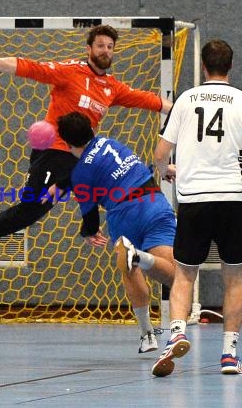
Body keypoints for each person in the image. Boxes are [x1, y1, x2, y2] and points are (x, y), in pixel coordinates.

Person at [0, 25, 173, 298]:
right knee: (28, 212)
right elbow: (27, 67)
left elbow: (146, 100)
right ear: (89, 49)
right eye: (100, 45)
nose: (105, 51)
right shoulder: (70, 72)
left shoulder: (111, 87)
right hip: (55, 154)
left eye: (109, 47)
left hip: (81, 158)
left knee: (95, 183)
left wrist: (179, 108)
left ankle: (95, 224)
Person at [151, 39, 242, 377]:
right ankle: (229, 356)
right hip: (235, 201)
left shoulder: (185, 100)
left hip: (195, 200)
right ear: (230, 67)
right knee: (233, 277)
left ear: (203, 67)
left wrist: (166, 173)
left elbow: (161, 153)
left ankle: (176, 332)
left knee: (185, 273)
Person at [55, 111, 176, 352]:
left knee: (129, 271)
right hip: (154, 202)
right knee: (175, 276)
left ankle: (147, 335)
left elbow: (90, 216)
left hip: (123, 215)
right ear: (91, 129)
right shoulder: (111, 143)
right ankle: (143, 259)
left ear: (67, 144)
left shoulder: (80, 173)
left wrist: (88, 232)